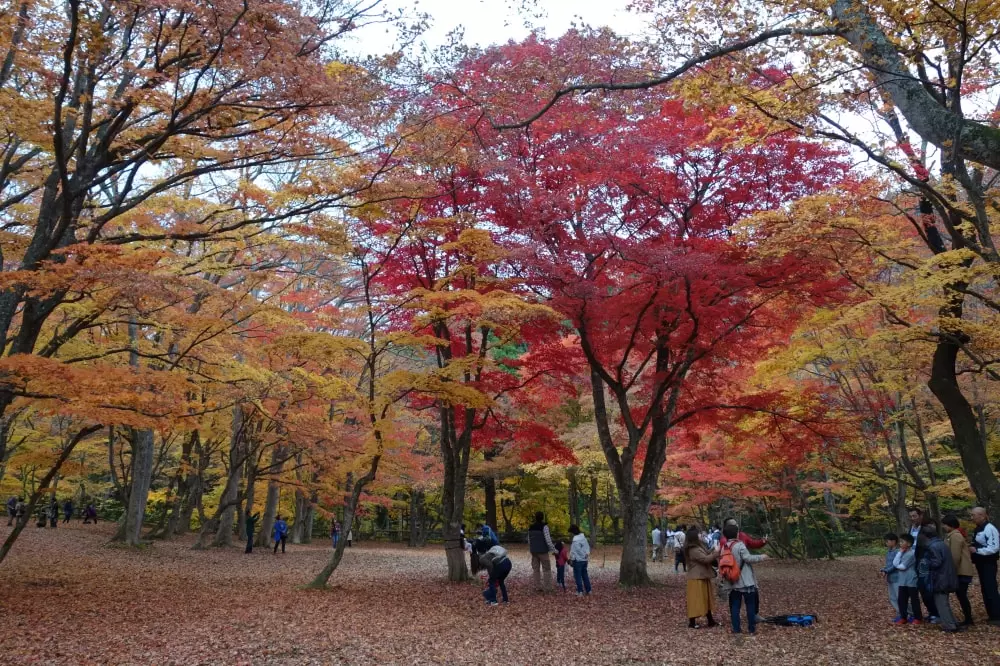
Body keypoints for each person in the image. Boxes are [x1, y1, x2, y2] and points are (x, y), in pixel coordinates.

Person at [720, 523, 767, 634]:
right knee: (750, 605)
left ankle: (736, 629)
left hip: (732, 580)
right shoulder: (740, 545)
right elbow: (748, 558)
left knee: (735, 607)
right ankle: (751, 629)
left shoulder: (724, 547)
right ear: (737, 533)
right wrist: (762, 557)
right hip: (745, 580)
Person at [921, 524, 959, 632]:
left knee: (941, 603)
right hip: (946, 576)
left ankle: (949, 625)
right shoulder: (941, 543)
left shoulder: (932, 546)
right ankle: (952, 623)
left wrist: (926, 562)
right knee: (944, 602)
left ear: (926, 536)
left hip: (940, 578)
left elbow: (936, 562)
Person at [969, 506, 1000, 625]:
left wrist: (977, 551)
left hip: (989, 563)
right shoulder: (978, 529)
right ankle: (991, 614)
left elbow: (994, 547)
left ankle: (997, 615)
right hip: (980, 563)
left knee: (990, 588)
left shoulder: (990, 528)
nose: (972, 517)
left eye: (974, 515)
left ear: (982, 515)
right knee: (985, 589)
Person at [684, 525, 719, 629]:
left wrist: (714, 548)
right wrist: (716, 553)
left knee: (706, 599)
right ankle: (692, 622)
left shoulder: (699, 546)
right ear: (694, 536)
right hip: (696, 578)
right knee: (696, 600)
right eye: (699, 533)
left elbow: (706, 553)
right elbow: (705, 559)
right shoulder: (693, 549)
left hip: (702, 576)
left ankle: (710, 620)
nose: (701, 535)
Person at [943, 515, 975, 626]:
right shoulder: (952, 535)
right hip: (960, 570)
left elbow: (955, 556)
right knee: (961, 595)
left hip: (962, 570)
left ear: (950, 525)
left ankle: (969, 619)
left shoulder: (955, 536)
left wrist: (952, 570)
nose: (944, 527)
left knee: (962, 595)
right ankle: (968, 618)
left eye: (945, 525)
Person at [908, 507, 939, 621]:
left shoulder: (928, 528)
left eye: (914, 516)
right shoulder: (911, 528)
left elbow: (934, 544)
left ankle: (936, 613)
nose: (912, 518)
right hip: (913, 561)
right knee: (919, 588)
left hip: (924, 561)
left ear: (920, 515)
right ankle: (930, 612)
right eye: (911, 516)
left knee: (926, 587)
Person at [894, 533, 922, 625]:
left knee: (914, 599)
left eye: (902, 541)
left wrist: (898, 565)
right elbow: (895, 563)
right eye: (900, 541)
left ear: (909, 544)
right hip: (902, 580)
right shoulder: (901, 552)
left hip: (911, 580)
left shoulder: (911, 554)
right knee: (901, 600)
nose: (900, 543)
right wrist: (900, 553)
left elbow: (902, 566)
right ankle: (903, 617)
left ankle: (917, 617)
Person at [527, 511, 557, 592]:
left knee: (536, 570)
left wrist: (532, 548)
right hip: (543, 551)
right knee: (546, 569)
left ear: (535, 517)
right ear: (542, 517)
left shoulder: (530, 527)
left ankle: (538, 587)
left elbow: (529, 540)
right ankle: (547, 587)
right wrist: (554, 550)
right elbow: (548, 540)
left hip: (534, 551)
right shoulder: (545, 527)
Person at [880, 533, 901, 620]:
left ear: (893, 541)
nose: (886, 543)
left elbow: (895, 565)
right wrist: (883, 569)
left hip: (897, 578)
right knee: (892, 597)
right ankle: (900, 613)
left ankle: (906, 614)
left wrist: (886, 570)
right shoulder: (889, 552)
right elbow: (888, 564)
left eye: (887, 541)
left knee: (899, 597)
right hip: (890, 578)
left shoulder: (898, 552)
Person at [568, 524, 592, 596]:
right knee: (585, 575)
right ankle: (589, 590)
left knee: (578, 576)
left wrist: (571, 560)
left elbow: (573, 552)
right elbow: (587, 548)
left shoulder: (575, 541)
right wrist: (586, 555)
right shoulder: (584, 539)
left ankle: (580, 591)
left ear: (573, 532)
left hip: (578, 561)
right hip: (585, 560)